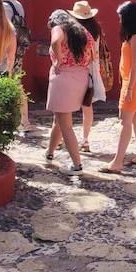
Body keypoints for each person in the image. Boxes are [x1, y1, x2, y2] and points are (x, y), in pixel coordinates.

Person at [101, 1, 136, 173]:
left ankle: (117, 162)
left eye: (121, 17)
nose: (120, 20)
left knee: (126, 121)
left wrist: (129, 88)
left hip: (134, 83)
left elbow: (135, 64)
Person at [44, 9, 94, 173]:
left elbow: (55, 41)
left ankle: (77, 165)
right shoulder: (82, 31)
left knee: (66, 125)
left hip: (63, 78)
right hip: (81, 77)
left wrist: (58, 61)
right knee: (59, 119)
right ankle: (50, 153)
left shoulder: (59, 28)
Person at [0, 0, 33, 131]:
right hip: (19, 50)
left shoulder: (5, 7)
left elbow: (4, 29)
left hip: (7, 51)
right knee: (16, 83)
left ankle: (17, 120)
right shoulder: (18, 4)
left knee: (10, 83)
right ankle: (24, 120)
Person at [72, 1, 108, 153]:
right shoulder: (96, 30)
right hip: (92, 70)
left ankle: (59, 138)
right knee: (87, 106)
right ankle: (85, 140)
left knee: (64, 107)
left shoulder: (75, 32)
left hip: (76, 70)